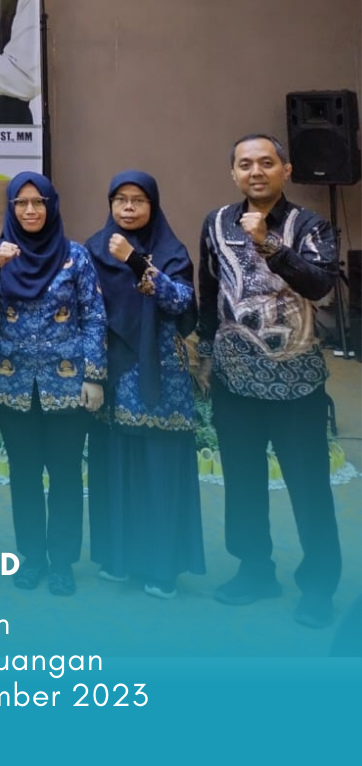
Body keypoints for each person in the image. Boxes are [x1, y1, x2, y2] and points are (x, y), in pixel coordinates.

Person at [197, 134, 341, 629]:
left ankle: (318, 586)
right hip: (235, 384)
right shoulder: (216, 222)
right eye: (245, 164)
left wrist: (269, 244)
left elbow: (320, 285)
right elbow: (209, 290)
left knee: (309, 488)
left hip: (296, 386)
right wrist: (206, 355)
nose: (255, 172)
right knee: (243, 484)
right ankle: (255, 570)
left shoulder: (311, 225)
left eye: (266, 163)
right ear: (233, 173)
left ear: (286, 169)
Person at [0, 171, 106, 596]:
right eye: (21, 203)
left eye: (38, 202)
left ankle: (61, 562)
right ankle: (32, 557)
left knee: (64, 475)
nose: (30, 210)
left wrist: (94, 376)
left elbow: (94, 316)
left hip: (67, 385)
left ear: (51, 206)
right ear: (11, 208)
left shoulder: (76, 257)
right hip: (12, 384)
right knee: (24, 475)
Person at [86, 171, 205, 599]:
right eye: (120, 199)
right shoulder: (93, 249)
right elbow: (85, 310)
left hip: (159, 378)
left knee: (159, 472)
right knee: (117, 468)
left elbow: (179, 301)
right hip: (112, 377)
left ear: (153, 205)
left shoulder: (170, 251)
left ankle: (162, 568)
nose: (129, 207)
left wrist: (135, 260)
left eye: (138, 200)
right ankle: (119, 559)